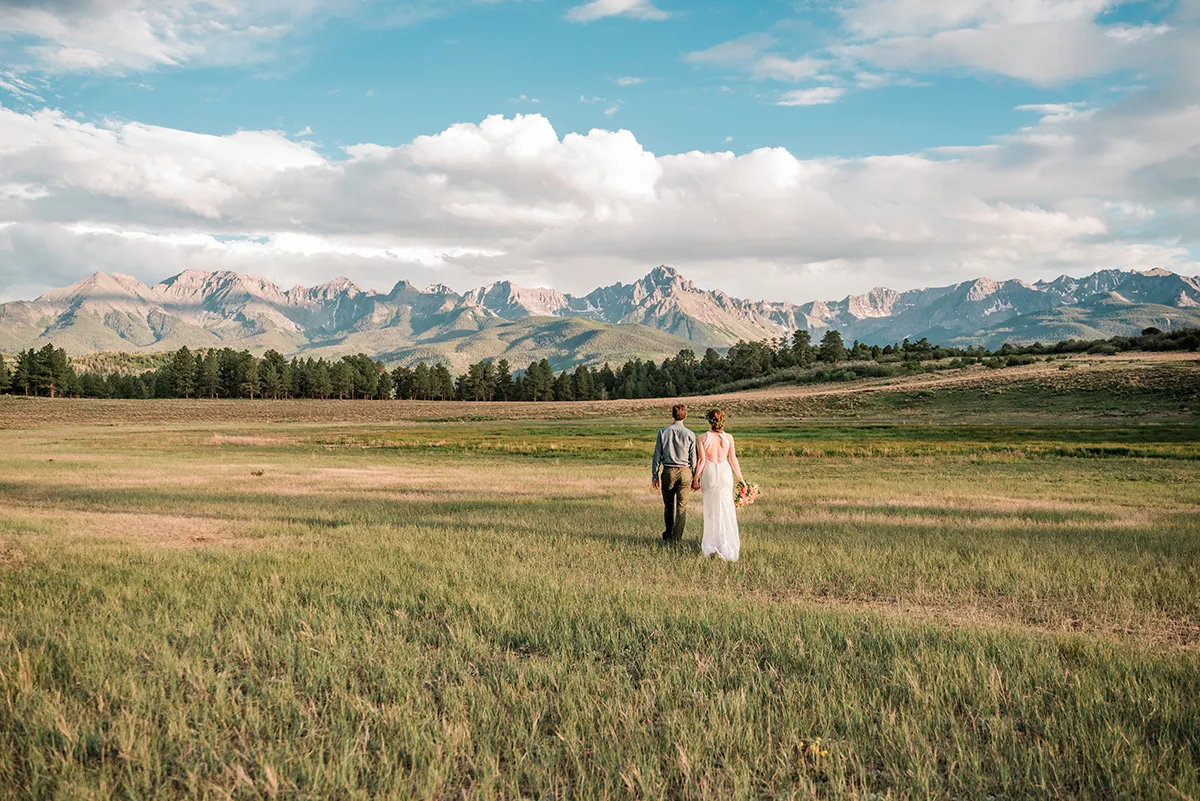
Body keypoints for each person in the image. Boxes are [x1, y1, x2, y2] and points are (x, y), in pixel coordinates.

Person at [692, 408, 743, 561]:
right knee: (726, 507)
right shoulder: (729, 437)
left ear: (709, 421)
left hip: (709, 473)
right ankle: (726, 544)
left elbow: (701, 461)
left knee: (711, 510)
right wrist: (741, 478)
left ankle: (712, 543)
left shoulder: (701, 438)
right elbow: (733, 459)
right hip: (725, 471)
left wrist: (696, 478)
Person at [651, 404, 698, 544]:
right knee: (681, 507)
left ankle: (669, 533)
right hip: (685, 471)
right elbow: (693, 459)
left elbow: (657, 456)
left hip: (668, 471)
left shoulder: (662, 432)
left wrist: (654, 476)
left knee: (669, 505)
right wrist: (696, 478)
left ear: (672, 415)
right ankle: (676, 538)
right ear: (686, 416)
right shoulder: (690, 434)